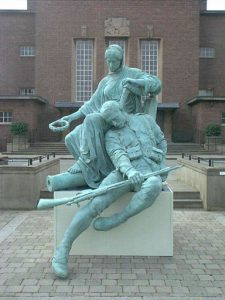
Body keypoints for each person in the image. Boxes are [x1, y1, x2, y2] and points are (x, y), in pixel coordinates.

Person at [51, 101, 167, 278]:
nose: (113, 123)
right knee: (96, 203)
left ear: (121, 110)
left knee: (154, 185)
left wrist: (161, 160)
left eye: (114, 118)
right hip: (124, 174)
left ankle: (117, 219)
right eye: (109, 121)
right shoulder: (112, 135)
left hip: (151, 172)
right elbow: (118, 155)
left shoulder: (145, 121)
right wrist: (129, 170)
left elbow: (160, 139)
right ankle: (63, 249)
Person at [49, 44, 161, 188]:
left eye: (114, 61)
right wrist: (70, 118)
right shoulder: (105, 81)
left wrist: (136, 82)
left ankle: (84, 160)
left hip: (124, 118)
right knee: (70, 137)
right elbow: (91, 104)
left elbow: (156, 84)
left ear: (121, 61)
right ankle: (93, 172)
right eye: (108, 61)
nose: (111, 64)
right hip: (107, 117)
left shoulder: (132, 73)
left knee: (91, 120)